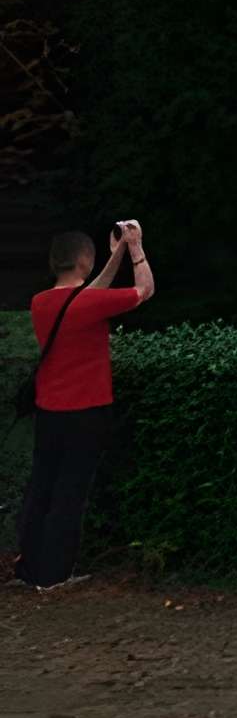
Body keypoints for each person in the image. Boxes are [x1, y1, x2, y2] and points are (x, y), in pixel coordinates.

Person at [17, 218, 153, 593]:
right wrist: (136, 247)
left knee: (42, 486)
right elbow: (144, 290)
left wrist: (117, 255)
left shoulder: (40, 302)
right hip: (86, 412)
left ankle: (30, 568)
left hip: (49, 411)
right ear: (84, 261)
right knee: (69, 493)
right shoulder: (89, 304)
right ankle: (55, 575)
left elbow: (83, 296)